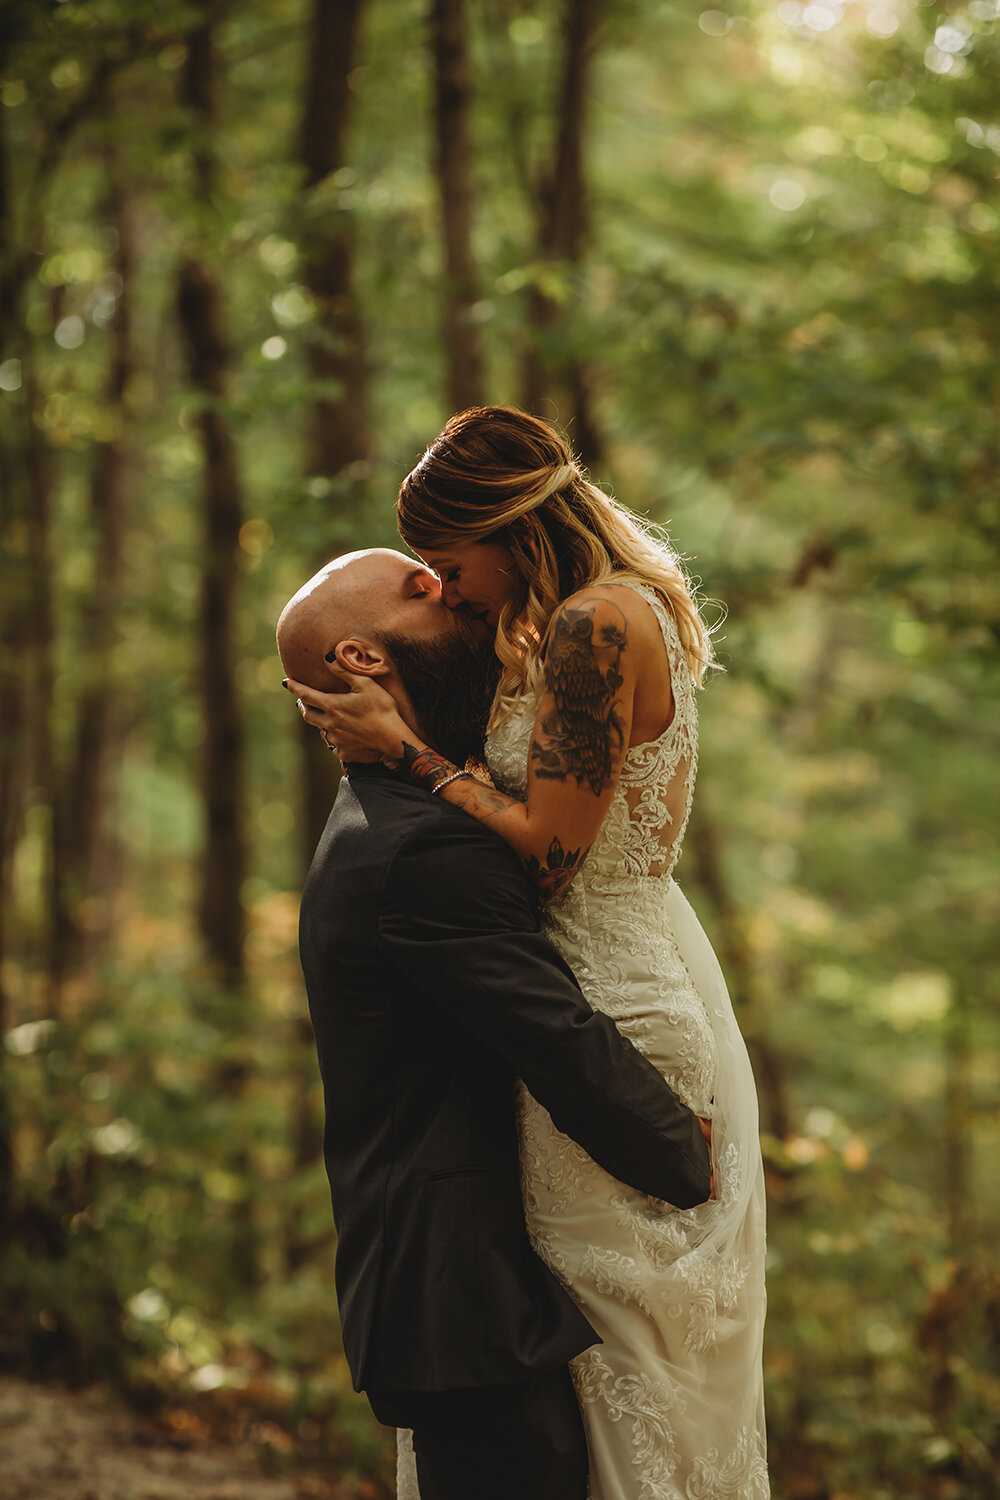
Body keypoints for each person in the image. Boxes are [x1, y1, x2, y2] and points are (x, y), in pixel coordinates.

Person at [284, 407, 770, 1500]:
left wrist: (413, 758)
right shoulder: (570, 623)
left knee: (628, 1347)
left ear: (505, 530)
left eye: (449, 567)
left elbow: (551, 854)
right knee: (612, 1355)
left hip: (610, 994)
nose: (447, 591)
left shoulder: (594, 626)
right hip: (596, 976)